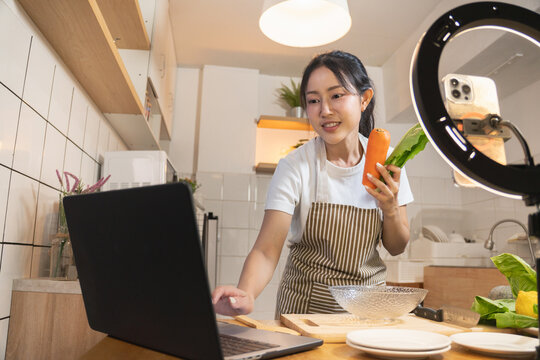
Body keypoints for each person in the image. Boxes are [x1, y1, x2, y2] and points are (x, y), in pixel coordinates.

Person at [212, 50, 413, 317]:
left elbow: (397, 246)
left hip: (367, 312)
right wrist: (246, 293)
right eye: (314, 100)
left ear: (364, 99)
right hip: (305, 312)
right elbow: (266, 250)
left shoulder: (389, 164)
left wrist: (389, 208)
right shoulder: (295, 166)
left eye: (337, 95)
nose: (325, 110)